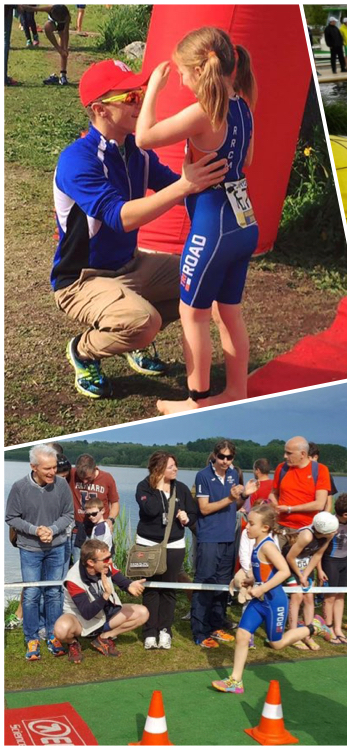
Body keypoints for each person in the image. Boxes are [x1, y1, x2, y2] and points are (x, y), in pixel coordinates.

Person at [53, 59, 228, 399]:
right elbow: (120, 216)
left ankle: (133, 335)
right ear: (101, 109)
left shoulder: (134, 151)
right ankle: (84, 349)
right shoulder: (78, 160)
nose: (141, 102)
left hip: (130, 265)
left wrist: (221, 178)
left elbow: (177, 185)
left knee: (201, 277)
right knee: (143, 322)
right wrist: (184, 187)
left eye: (143, 93)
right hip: (81, 280)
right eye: (131, 97)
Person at [135, 27, 259, 415]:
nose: (182, 80)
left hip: (214, 227)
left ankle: (196, 401)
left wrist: (154, 86)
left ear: (199, 69)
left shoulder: (204, 111)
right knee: (229, 312)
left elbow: (144, 137)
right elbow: (248, 160)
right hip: (244, 224)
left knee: (194, 313)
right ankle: (236, 390)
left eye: (182, 73)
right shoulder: (242, 105)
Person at [210, 506, 333, 694]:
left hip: (275, 601)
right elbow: (267, 573)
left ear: (265, 527)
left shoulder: (268, 546)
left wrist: (262, 587)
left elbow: (284, 572)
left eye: (251, 524)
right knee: (242, 635)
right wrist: (251, 580)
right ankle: (235, 681)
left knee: (276, 644)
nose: (247, 528)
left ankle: (313, 626)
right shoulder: (257, 544)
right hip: (260, 601)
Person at [5, 444, 74, 660]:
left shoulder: (62, 485)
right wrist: (35, 530)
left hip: (57, 547)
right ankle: (31, 638)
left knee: (54, 591)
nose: (53, 472)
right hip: (30, 549)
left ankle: (53, 635)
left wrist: (52, 530)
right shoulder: (19, 487)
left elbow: (69, 514)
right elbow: (11, 518)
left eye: (54, 467)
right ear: (34, 467)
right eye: (47, 469)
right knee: (32, 593)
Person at [190, 439, 248, 648]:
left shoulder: (233, 474)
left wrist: (245, 496)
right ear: (214, 456)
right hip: (209, 537)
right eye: (221, 457)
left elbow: (236, 504)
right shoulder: (203, 476)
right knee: (204, 582)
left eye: (229, 457)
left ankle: (216, 626)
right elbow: (204, 509)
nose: (225, 461)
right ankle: (199, 631)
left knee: (223, 585)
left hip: (228, 537)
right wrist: (232, 499)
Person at [135, 451, 194, 650]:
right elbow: (150, 510)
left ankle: (165, 630)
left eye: (175, 465)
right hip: (147, 544)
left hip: (174, 545)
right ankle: (150, 632)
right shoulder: (144, 487)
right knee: (151, 588)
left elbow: (194, 514)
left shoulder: (182, 489)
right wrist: (159, 488)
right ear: (158, 469)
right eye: (170, 466)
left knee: (169, 588)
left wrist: (186, 518)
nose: (176, 469)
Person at [53, 540, 147, 663]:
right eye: (106, 559)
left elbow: (121, 581)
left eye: (110, 557)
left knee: (143, 613)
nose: (110, 561)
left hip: (103, 613)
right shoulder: (73, 580)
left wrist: (130, 585)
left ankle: (103, 638)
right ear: (91, 562)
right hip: (79, 618)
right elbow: (86, 613)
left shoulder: (106, 565)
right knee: (61, 630)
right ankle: (73, 643)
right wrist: (105, 595)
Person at [280, 511, 337, 650]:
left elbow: (318, 554)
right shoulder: (306, 536)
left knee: (309, 598)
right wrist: (300, 576)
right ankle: (293, 634)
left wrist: (306, 574)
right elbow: (290, 557)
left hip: (305, 563)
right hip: (290, 563)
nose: (335, 531)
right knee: (297, 596)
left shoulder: (329, 534)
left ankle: (307, 634)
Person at [322, 494, 347, 644]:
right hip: (330, 562)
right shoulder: (331, 524)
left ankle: (338, 628)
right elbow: (320, 549)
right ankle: (328, 628)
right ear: (345, 514)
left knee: (341, 596)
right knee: (330, 597)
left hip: (344, 562)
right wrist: (320, 570)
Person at [69, 454, 120, 563]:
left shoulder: (107, 478)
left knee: (102, 564)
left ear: (95, 468)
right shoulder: (72, 474)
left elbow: (114, 503)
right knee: (80, 566)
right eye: (81, 478)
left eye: (88, 478)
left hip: (100, 531)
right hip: (79, 531)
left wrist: (111, 519)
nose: (85, 482)